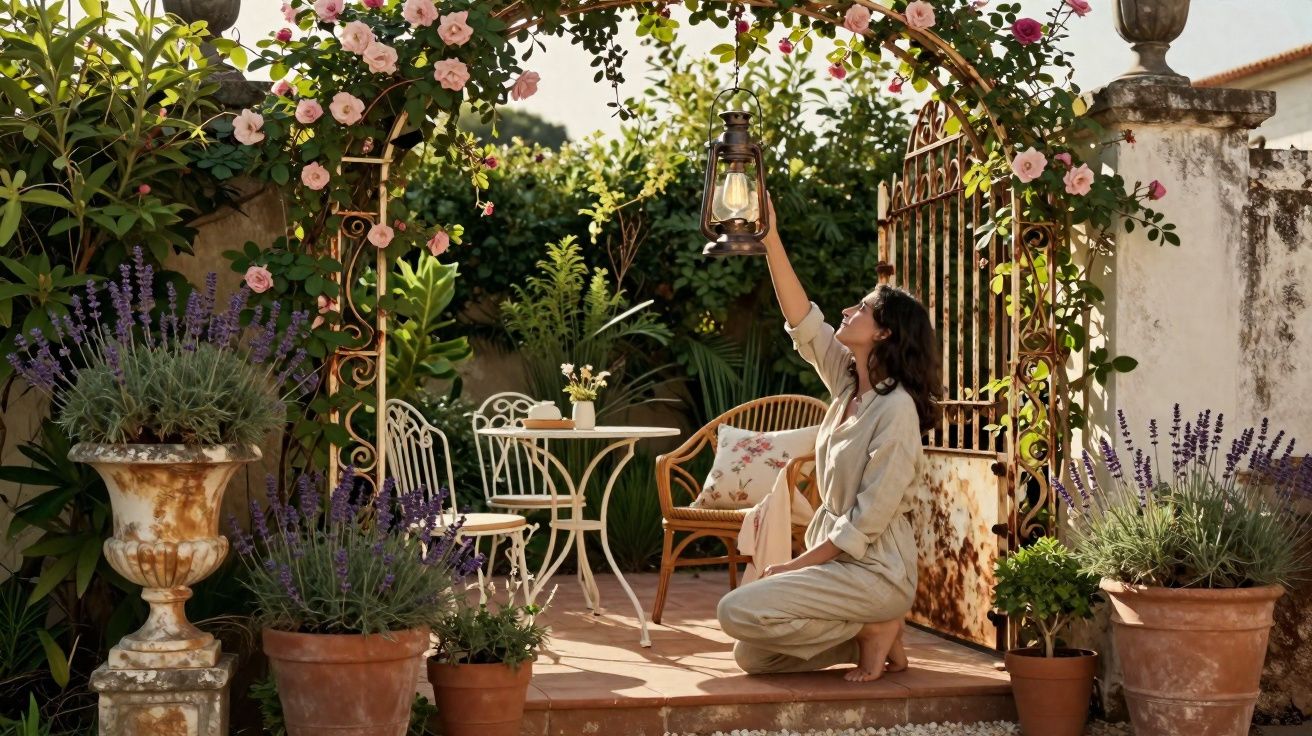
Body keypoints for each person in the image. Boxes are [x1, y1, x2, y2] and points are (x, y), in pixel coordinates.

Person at [716, 194, 942, 682]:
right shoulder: (847, 384)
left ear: (884, 334)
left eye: (861, 308)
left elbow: (863, 523)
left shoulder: (896, 411)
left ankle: (877, 620)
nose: (846, 310)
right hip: (837, 568)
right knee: (753, 657)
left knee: (735, 611)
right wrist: (769, 236)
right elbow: (803, 320)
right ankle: (873, 632)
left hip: (875, 572)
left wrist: (794, 566)